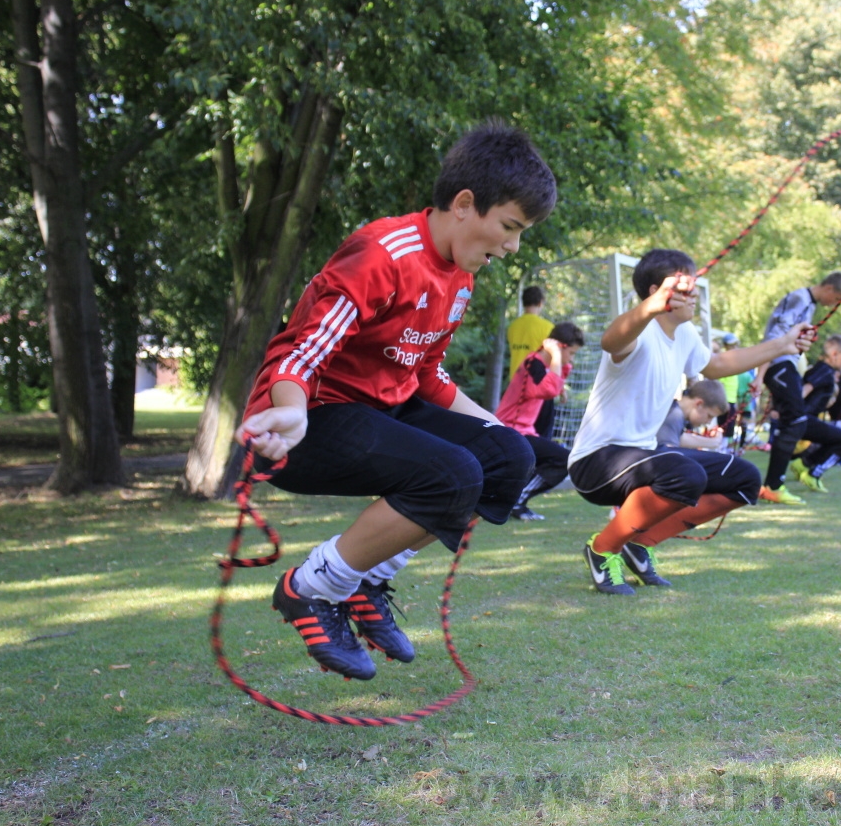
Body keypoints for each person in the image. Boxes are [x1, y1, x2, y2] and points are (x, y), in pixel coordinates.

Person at [233, 123, 555, 680]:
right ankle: (310, 588)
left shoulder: (459, 277)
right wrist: (287, 410)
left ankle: (366, 580)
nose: (512, 246)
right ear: (463, 204)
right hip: (307, 422)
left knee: (508, 461)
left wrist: (498, 428)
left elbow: (425, 373)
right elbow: (300, 354)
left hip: (384, 410)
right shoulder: (384, 253)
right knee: (453, 474)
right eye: (508, 227)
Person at [568, 248, 813, 594]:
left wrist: (784, 344)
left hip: (644, 454)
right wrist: (651, 308)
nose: (694, 292)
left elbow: (718, 366)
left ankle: (638, 543)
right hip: (597, 462)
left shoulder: (683, 335)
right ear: (657, 292)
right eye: (684, 286)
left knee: (743, 478)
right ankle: (602, 549)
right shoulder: (638, 331)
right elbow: (612, 340)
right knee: (686, 475)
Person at [755, 272, 841, 505]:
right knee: (795, 420)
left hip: (785, 364)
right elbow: (773, 337)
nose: (835, 304)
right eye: (837, 298)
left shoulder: (808, 304)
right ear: (828, 288)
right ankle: (773, 486)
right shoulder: (799, 299)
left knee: (795, 422)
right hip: (778, 364)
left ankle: (780, 480)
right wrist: (760, 376)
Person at [496, 322, 585, 521]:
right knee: (563, 459)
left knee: (549, 458)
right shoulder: (533, 363)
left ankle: (514, 501)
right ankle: (517, 501)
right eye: (571, 353)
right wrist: (556, 359)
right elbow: (547, 389)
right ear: (559, 347)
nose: (571, 359)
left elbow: (550, 385)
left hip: (525, 430)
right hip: (511, 430)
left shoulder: (542, 366)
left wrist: (560, 371)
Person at [788, 334, 841, 493]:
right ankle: (813, 474)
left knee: (835, 438)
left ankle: (803, 464)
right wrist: (790, 414)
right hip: (804, 420)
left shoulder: (823, 370)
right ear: (834, 354)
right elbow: (802, 392)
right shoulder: (824, 371)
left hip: (806, 419)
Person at [506, 286, 558, 438]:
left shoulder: (513, 327)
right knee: (542, 436)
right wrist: (559, 388)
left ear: (523, 303)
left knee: (518, 434)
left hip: (516, 386)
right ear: (541, 302)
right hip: (539, 387)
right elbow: (554, 359)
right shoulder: (547, 327)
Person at [657, 379, 728, 450]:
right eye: (709, 416)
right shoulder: (674, 416)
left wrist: (713, 442)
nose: (709, 422)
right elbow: (669, 454)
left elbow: (679, 438)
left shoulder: (675, 412)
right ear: (699, 404)